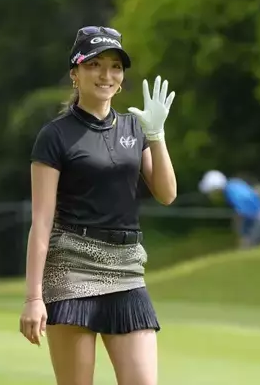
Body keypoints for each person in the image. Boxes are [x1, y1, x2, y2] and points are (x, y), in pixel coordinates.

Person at [19, 26, 177, 385]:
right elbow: (41, 222)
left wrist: (156, 135)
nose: (106, 75)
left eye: (115, 67)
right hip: (71, 268)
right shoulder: (55, 135)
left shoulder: (134, 128)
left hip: (127, 269)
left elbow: (167, 194)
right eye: (94, 65)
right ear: (75, 73)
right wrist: (33, 298)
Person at [199, 170, 260, 249]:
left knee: (247, 249)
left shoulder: (231, 192)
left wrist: (242, 235)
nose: (210, 196)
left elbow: (242, 213)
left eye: (210, 192)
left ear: (216, 188)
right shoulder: (234, 184)